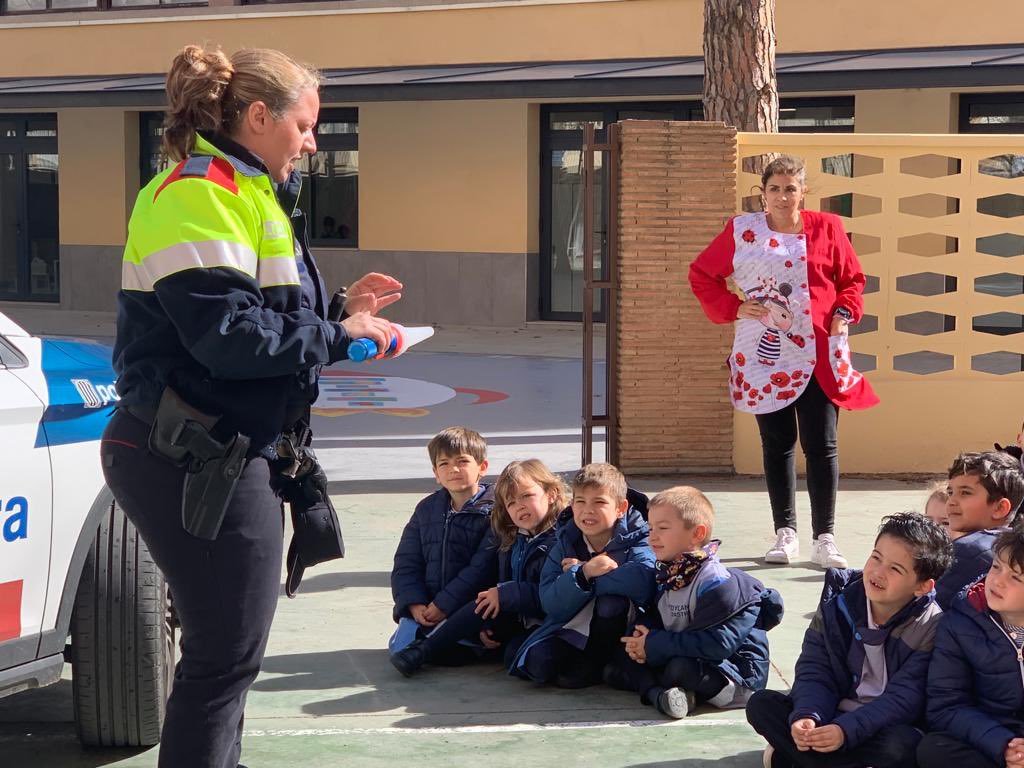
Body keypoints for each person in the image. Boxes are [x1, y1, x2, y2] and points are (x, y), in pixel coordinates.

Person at [99, 45, 401, 768]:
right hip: (191, 454)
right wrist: (337, 335)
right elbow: (228, 340)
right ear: (259, 116)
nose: (311, 140)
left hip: (218, 451)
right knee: (222, 660)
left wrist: (338, 311)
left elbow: (252, 315)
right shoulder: (200, 191)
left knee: (227, 660)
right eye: (304, 123)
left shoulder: (246, 189)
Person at [689, 154, 879, 569]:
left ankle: (825, 536)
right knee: (777, 445)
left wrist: (846, 313)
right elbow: (703, 274)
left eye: (790, 188)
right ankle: (785, 532)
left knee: (822, 445)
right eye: (774, 189)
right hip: (763, 352)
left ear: (803, 192)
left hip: (817, 351)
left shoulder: (827, 227)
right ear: (763, 193)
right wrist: (735, 307)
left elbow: (851, 281)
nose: (782, 196)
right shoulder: (742, 230)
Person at [746, 512, 953, 768]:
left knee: (903, 747)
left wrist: (846, 732)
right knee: (761, 705)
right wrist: (808, 716)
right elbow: (815, 669)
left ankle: (794, 758)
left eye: (895, 569)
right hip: (832, 712)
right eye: (876, 557)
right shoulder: (838, 603)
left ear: (923, 586)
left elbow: (904, 699)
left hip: (882, 724)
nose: (878, 572)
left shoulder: (932, 626)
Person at [604, 486, 783, 719]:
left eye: (663, 528)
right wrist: (640, 639)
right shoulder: (670, 573)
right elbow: (660, 616)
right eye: (651, 528)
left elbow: (718, 644)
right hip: (686, 652)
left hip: (733, 672)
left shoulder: (720, 583)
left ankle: (661, 693)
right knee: (616, 665)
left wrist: (654, 644)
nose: (652, 536)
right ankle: (666, 695)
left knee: (679, 669)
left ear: (697, 534)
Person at [390, 459, 564, 677]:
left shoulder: (562, 538)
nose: (519, 506)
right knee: (484, 606)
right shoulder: (512, 538)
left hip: (549, 620)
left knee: (524, 660)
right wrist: (487, 621)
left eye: (527, 496)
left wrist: (506, 593)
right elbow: (406, 563)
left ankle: (427, 648)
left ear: (552, 494)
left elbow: (554, 595)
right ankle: (422, 650)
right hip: (517, 616)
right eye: (510, 503)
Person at [510, 463, 655, 688]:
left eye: (599, 502)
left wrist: (587, 573)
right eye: (580, 502)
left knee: (611, 603)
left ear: (621, 508)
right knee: (537, 664)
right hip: (574, 626)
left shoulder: (639, 534)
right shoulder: (566, 540)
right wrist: (584, 573)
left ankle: (597, 663)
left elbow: (642, 580)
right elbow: (550, 602)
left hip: (623, 632)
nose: (588, 510)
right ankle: (592, 664)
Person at [919, 528, 1024, 768]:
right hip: (992, 736)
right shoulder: (960, 622)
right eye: (996, 566)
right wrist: (1005, 745)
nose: (997, 580)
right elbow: (946, 706)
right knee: (933, 750)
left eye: (1016, 577)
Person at [389, 427, 495, 662]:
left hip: (468, 606)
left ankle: (448, 643)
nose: (453, 469)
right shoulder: (426, 509)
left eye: (462, 461)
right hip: (428, 605)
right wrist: (415, 604)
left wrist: (444, 605)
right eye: (444, 463)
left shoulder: (495, 512)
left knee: (462, 639)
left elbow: (480, 569)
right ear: (436, 472)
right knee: (400, 646)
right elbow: (406, 562)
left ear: (482, 467)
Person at [934, 451, 1024, 610]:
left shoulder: (969, 550)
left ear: (999, 508)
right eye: (950, 492)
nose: (951, 501)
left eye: (965, 493)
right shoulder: (1013, 547)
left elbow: (930, 606)